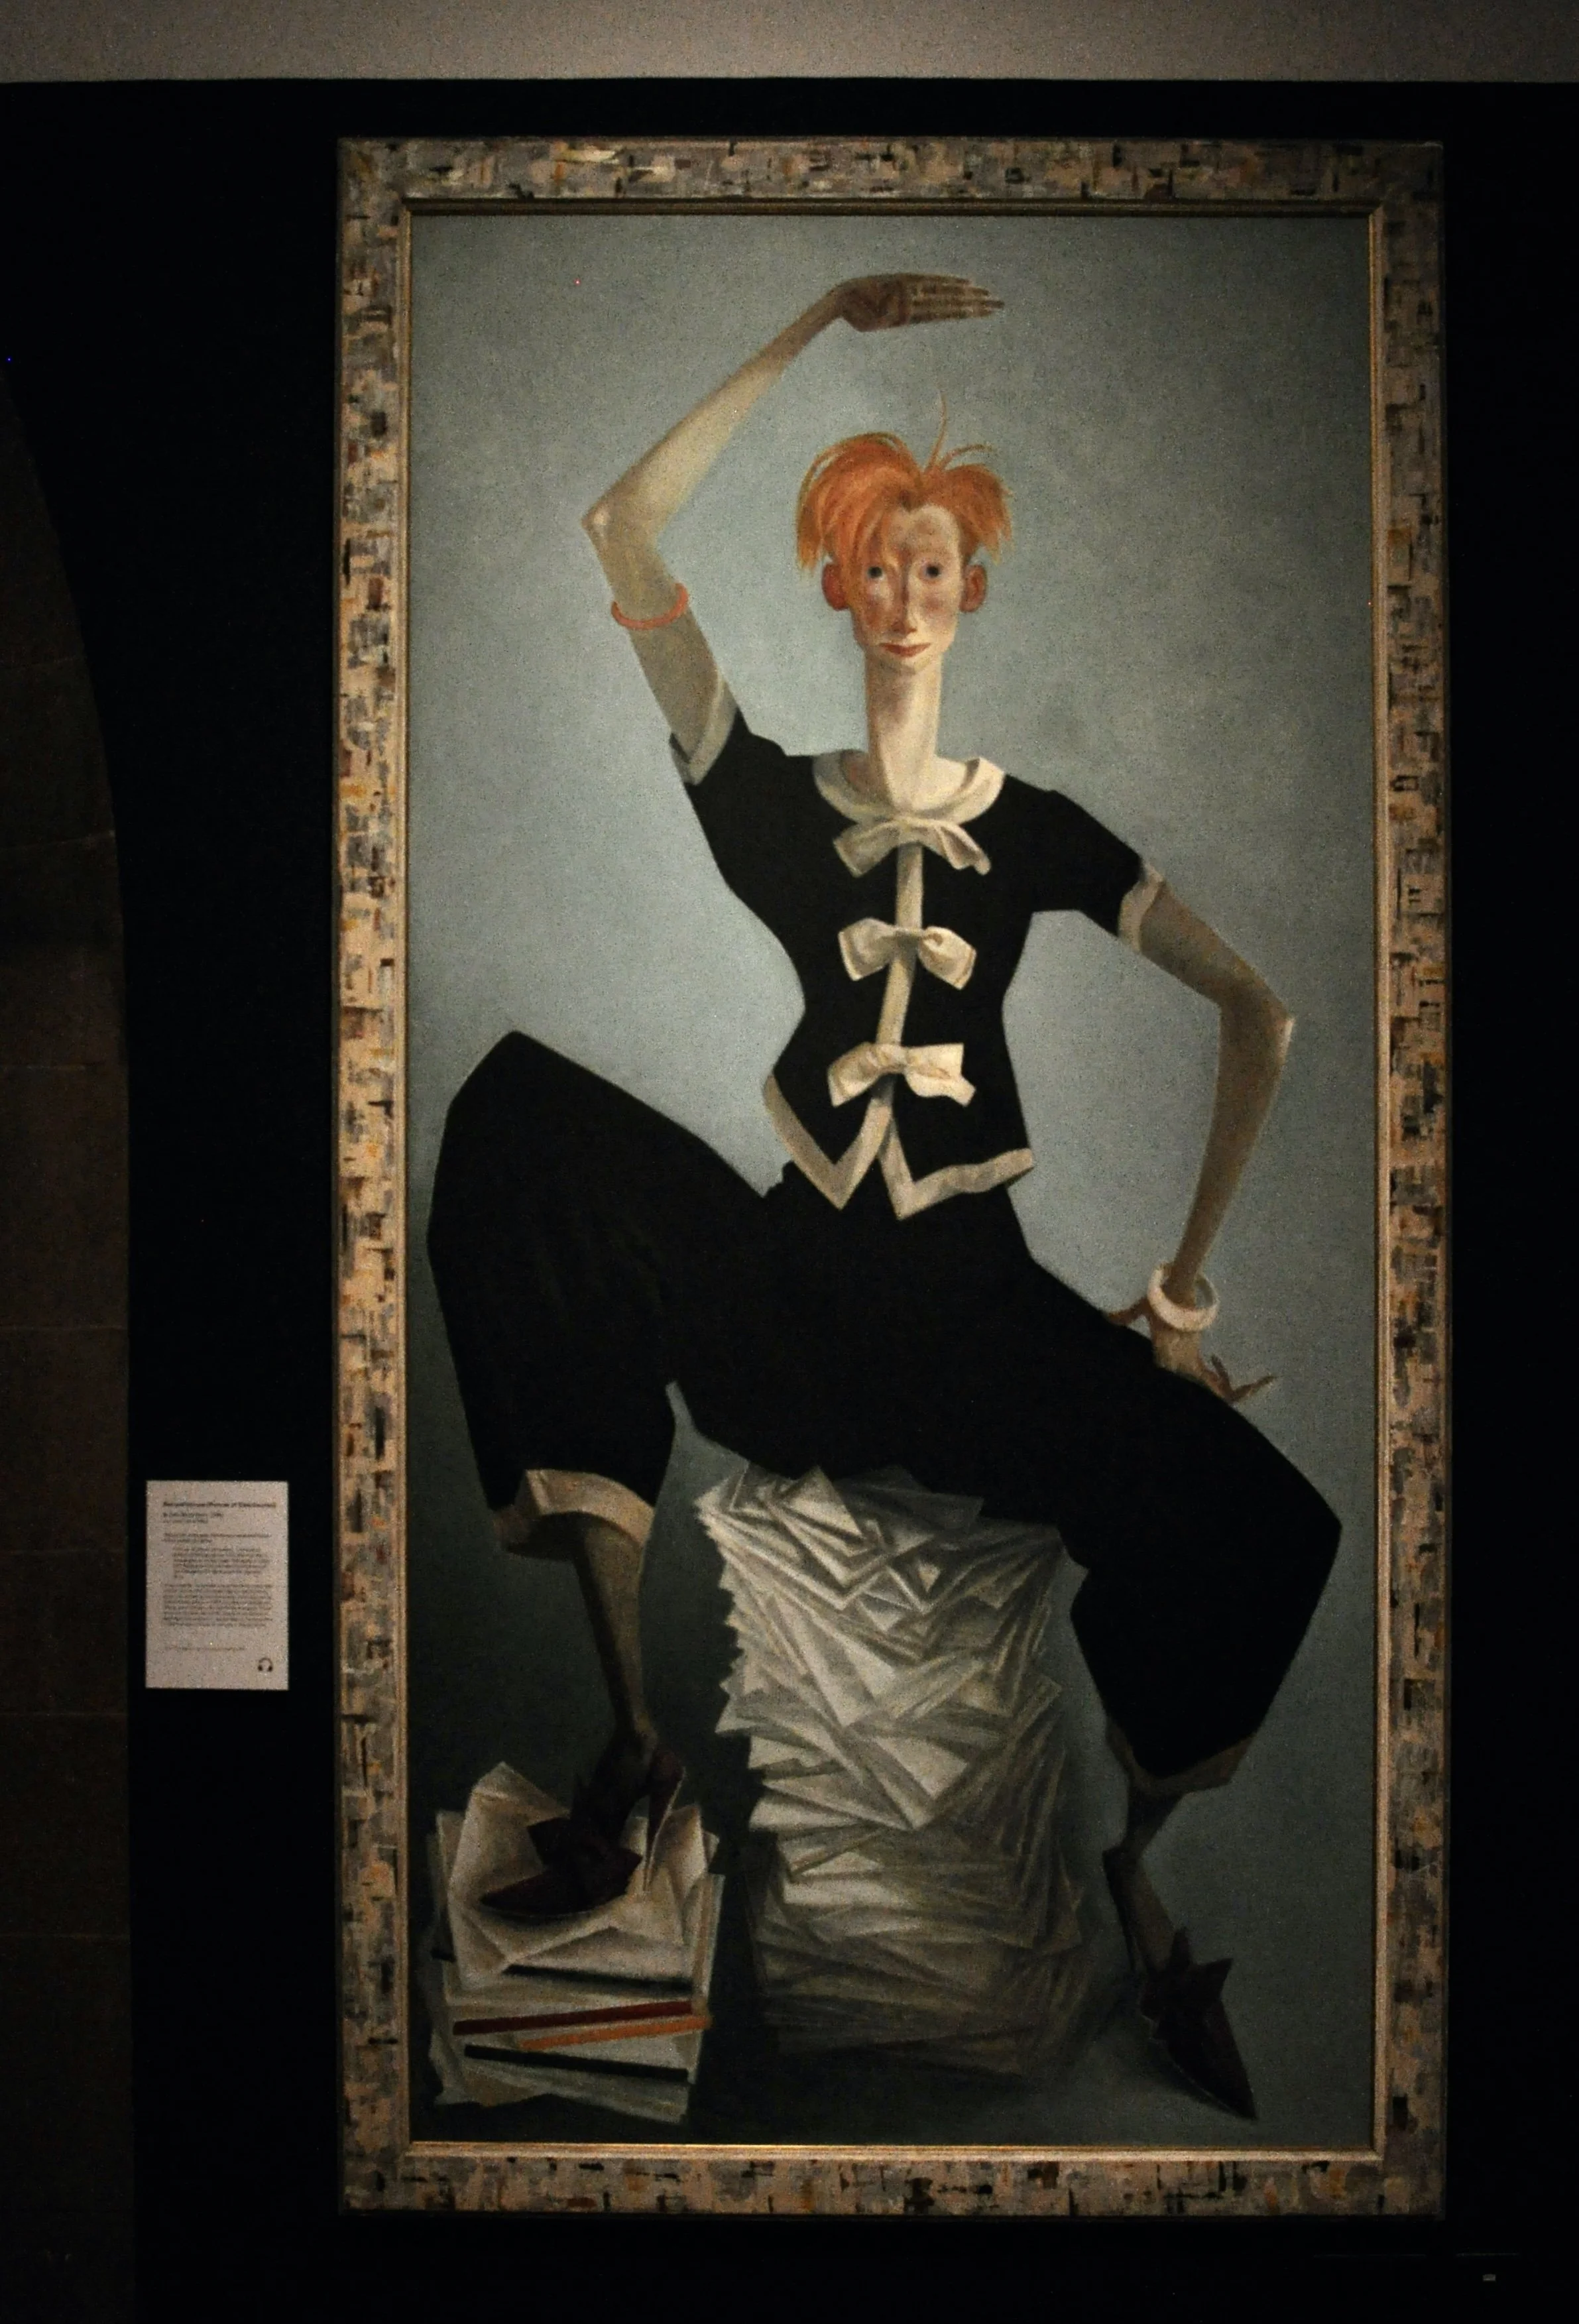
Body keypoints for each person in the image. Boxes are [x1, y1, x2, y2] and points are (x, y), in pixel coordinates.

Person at [427, 274, 1340, 2117]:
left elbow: (1263, 1015)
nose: (905, 594)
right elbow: (620, 527)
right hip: (789, 1306)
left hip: (977, 1326)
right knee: (520, 1122)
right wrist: (817, 323)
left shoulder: (1039, 827)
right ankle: (632, 1732)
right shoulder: (771, 804)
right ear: (839, 591)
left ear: (968, 590)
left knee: (1266, 1527)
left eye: (933, 566)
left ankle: (1134, 1877)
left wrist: (1179, 1297)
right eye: (875, 566)